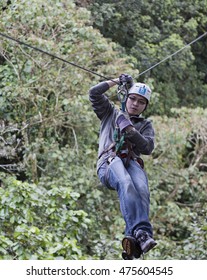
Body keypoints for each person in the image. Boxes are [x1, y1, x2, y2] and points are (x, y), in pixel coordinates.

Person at [88, 74, 156, 259]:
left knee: (142, 189)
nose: (135, 104)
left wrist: (131, 131)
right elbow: (94, 93)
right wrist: (116, 81)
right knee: (126, 183)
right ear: (126, 97)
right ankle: (141, 232)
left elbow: (147, 147)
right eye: (133, 98)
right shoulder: (110, 113)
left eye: (141, 102)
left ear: (145, 106)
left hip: (131, 162)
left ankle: (134, 241)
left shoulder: (145, 125)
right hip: (109, 162)